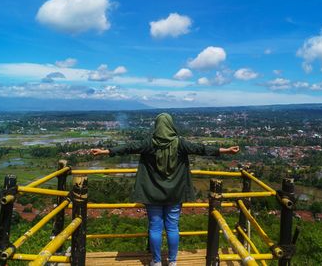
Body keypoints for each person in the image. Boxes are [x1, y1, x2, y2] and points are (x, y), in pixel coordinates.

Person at [91, 113, 239, 266]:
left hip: (152, 194)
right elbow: (201, 149)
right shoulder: (180, 144)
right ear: (170, 125)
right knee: (172, 227)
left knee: (155, 227)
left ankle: (156, 261)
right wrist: (226, 151)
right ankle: (172, 261)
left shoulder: (149, 143)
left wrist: (105, 152)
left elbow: (128, 147)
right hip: (175, 194)